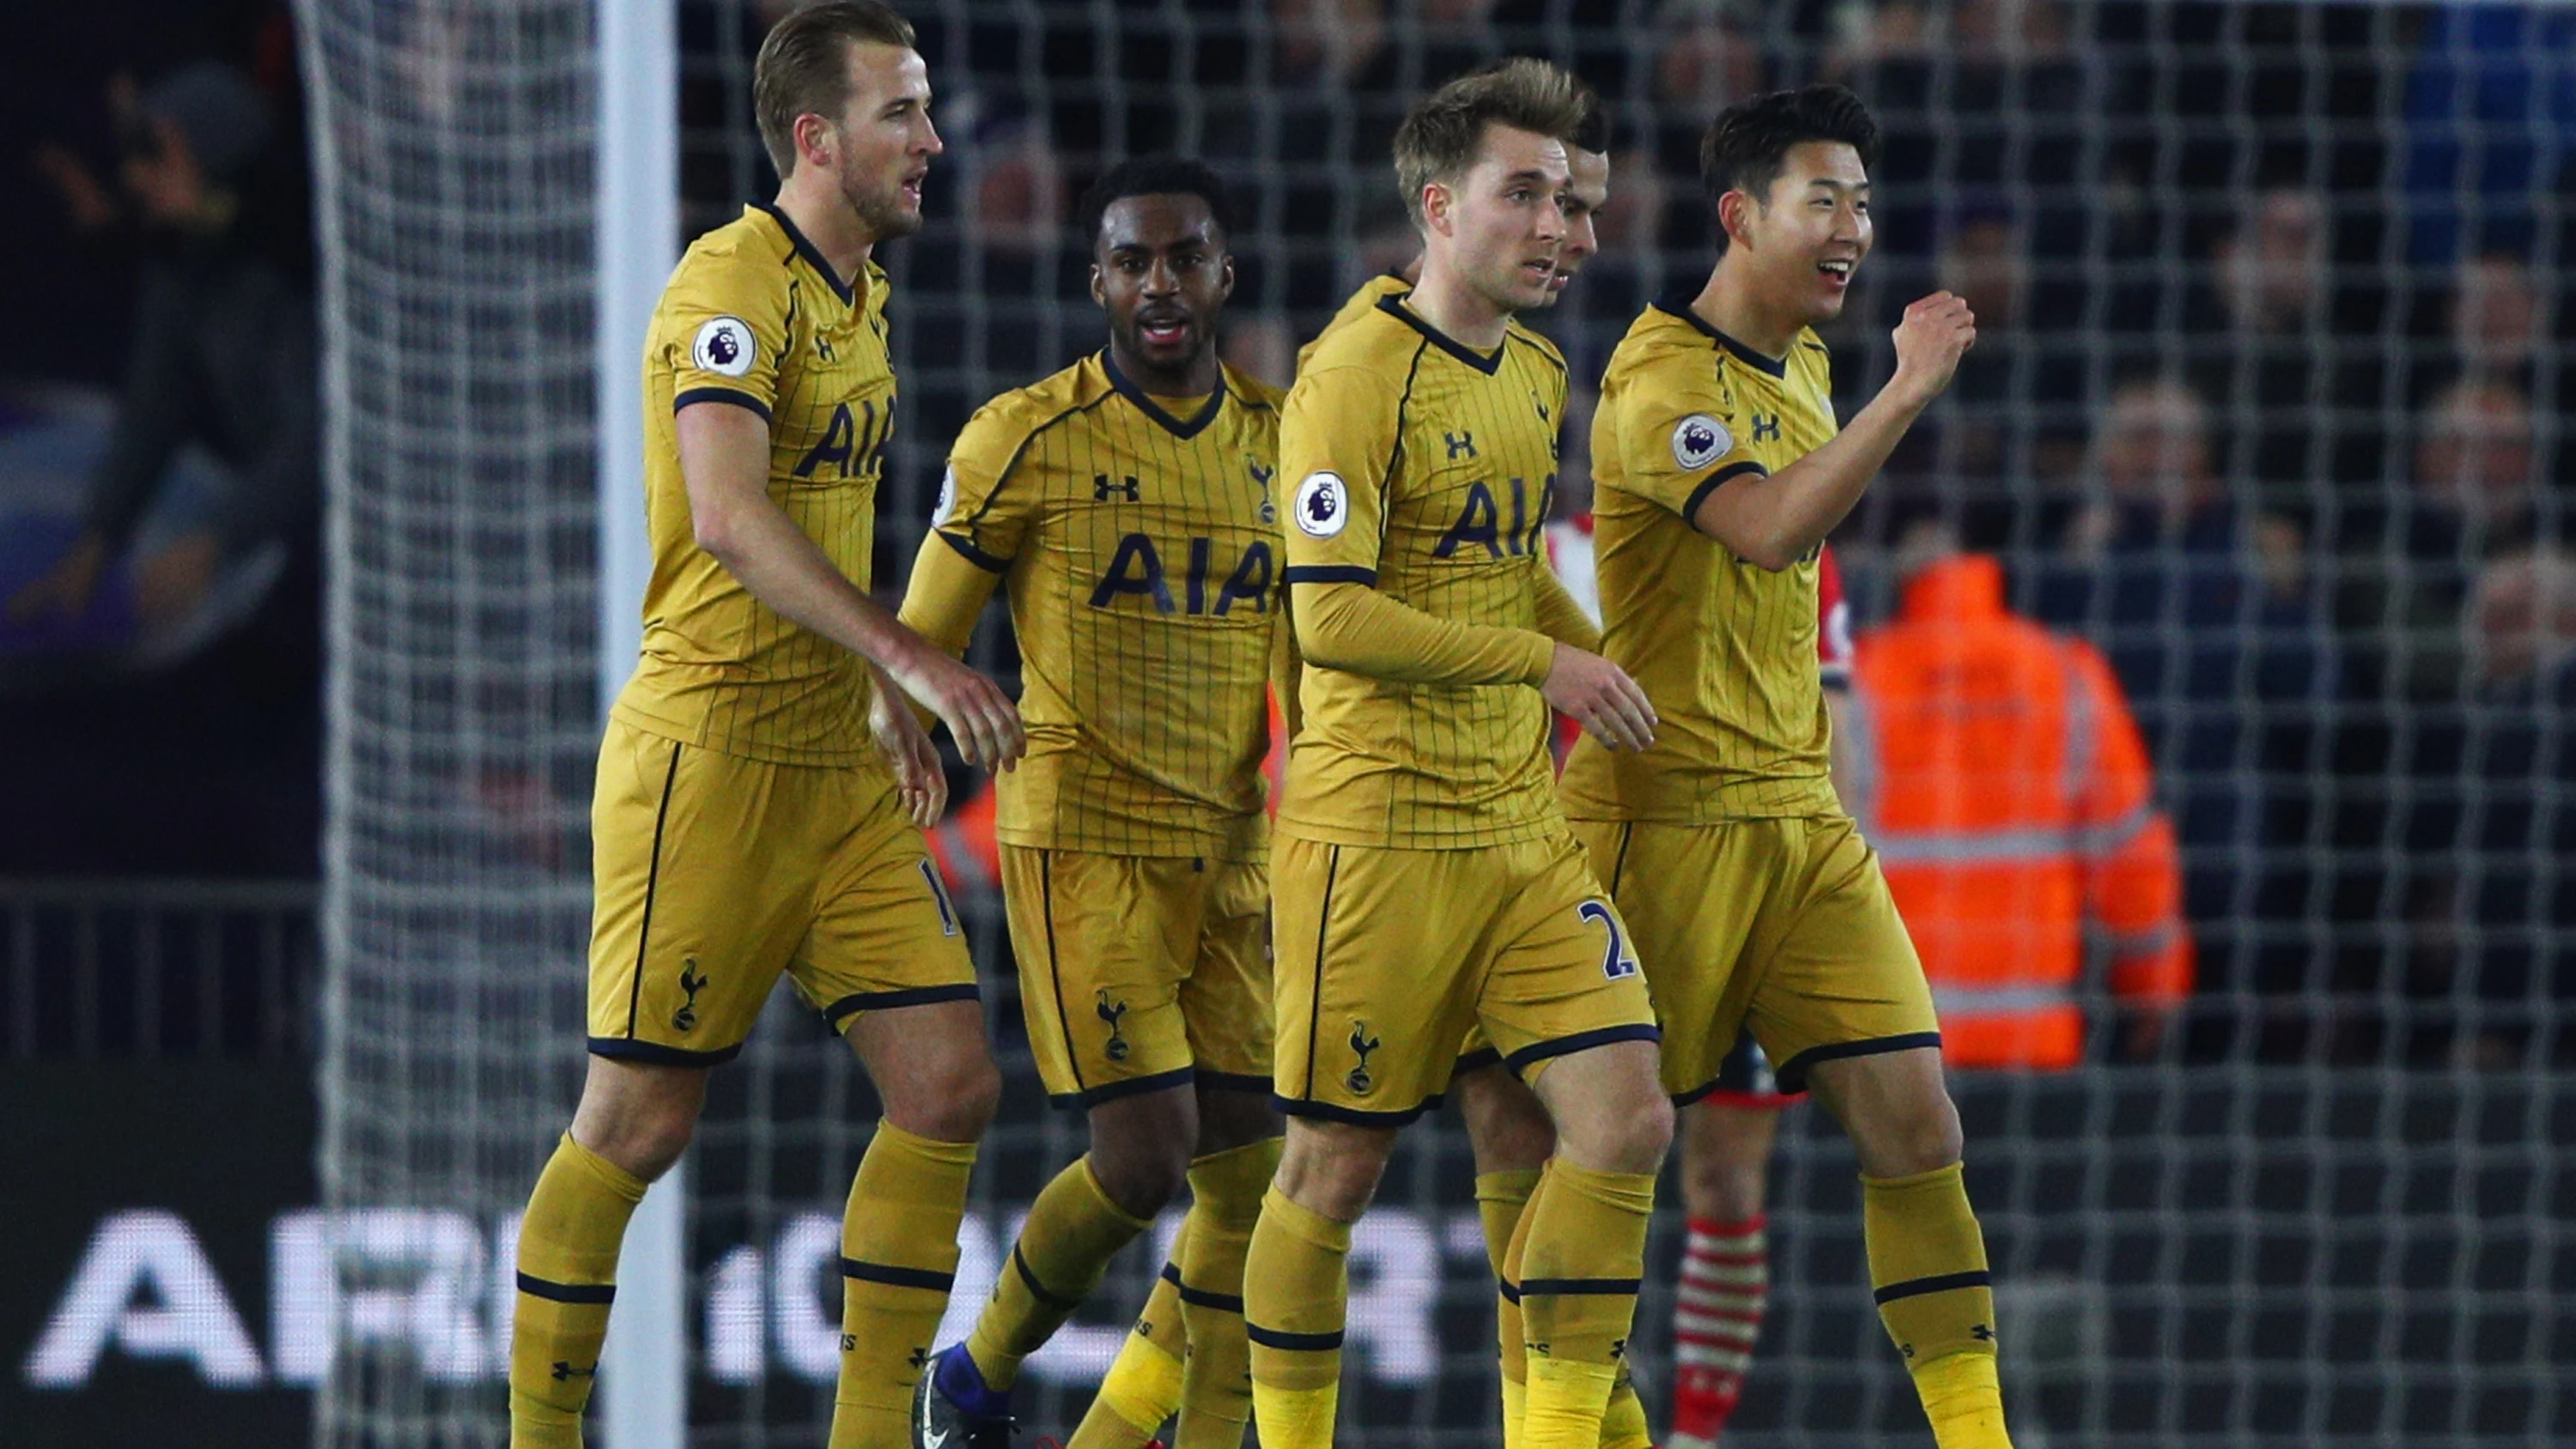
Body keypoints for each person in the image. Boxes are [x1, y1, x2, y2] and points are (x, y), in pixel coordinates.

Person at [503, 8, 1026, 1447]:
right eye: (903, 114)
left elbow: (820, 525)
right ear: (816, 137)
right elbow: (731, 522)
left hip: (835, 771)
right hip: (711, 761)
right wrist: (910, 653)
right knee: (637, 1125)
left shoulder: (860, 295)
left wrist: (871, 697)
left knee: (950, 1080)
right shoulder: (729, 283)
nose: (931, 141)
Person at [1558, 82, 2010, 1449]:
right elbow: (1761, 531)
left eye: (1865, 202)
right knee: (1590, 1158)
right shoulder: (1659, 380)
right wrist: (1911, 386)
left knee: (1921, 1130)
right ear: (1740, 217)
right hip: (1659, 825)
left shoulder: (1801, 365)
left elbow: (1805, 620)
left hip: (1800, 827)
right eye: (1826, 200)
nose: (1855, 229)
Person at [1254, 58, 1672, 1449]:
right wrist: (1543, 661)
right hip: (1374, 839)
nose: (1564, 226)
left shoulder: (1538, 368)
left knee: (1619, 1118)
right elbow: (1335, 615)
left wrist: (1592, 644)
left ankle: (1551, 1425)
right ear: (1438, 206)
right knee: (1332, 1163)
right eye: (1525, 194)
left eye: (1570, 198)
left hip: (1518, 836)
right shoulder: (1347, 378)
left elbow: (1498, 574)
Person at [897, 155, 1289, 1449]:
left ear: (1225, 274)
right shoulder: (1027, 436)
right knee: (1147, 1160)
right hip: (1085, 844)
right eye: (1133, 261)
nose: (1160, 284)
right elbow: (919, 639)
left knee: (1260, 1179)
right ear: (1098, 283)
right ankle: (980, 1367)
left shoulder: (1284, 446)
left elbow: (1312, 657)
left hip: (1235, 855)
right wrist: (930, 710)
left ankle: (1135, 1433)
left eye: (1185, 257)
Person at [1850, 530, 2195, 1067]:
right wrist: (2154, 989)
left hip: (1889, 1048)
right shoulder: (2062, 670)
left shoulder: (1857, 681)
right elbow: (2131, 854)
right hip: (2031, 1038)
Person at [8, 60, 315, 635]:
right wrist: (100, 539)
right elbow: (154, 404)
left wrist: (214, 540)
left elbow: (320, 441)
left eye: (157, 157)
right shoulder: (179, 261)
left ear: (218, 165)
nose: (135, 177)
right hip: (286, 543)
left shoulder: (287, 277)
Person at [1662, 545, 1852, 1449]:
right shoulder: (1555, 541)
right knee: (1576, 1165)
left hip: (1745, 882)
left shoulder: (1793, 541)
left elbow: (1834, 711)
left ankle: (1696, 1433)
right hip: (1594, 884)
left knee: (1727, 1180)